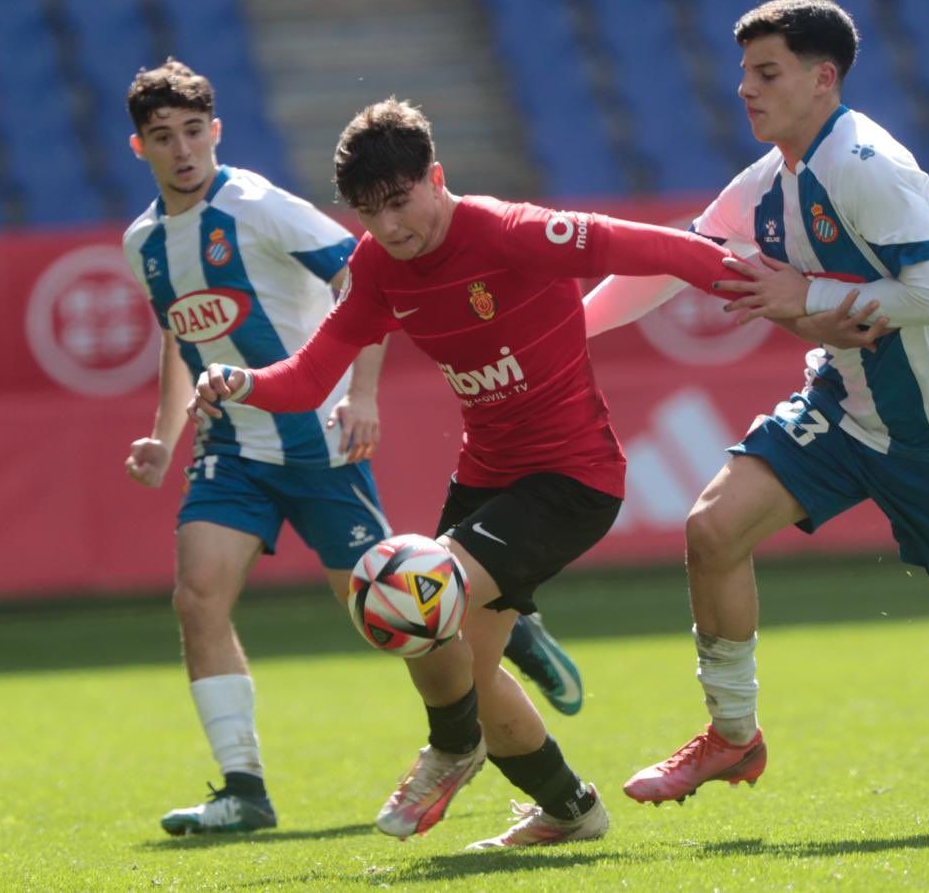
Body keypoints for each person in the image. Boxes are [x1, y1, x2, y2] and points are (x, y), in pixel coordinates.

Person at [582, 0, 929, 808]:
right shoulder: (769, 182)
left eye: (767, 72)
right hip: (842, 404)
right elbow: (681, 259)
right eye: (744, 74)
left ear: (822, 78)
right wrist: (572, 328)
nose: (746, 89)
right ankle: (734, 736)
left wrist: (810, 291)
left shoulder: (869, 167)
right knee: (711, 529)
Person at [189, 97, 736, 848]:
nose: (388, 226)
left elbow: (663, 250)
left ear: (436, 177)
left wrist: (770, 286)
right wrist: (238, 382)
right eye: (368, 211)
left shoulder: (511, 232)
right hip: (487, 473)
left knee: (413, 587)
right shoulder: (375, 267)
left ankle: (451, 749)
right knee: (455, 662)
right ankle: (570, 808)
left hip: (573, 479)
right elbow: (310, 378)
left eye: (399, 202)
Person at [119, 62, 582, 837]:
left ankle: (503, 619)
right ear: (141, 148)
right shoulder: (144, 244)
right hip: (229, 448)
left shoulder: (259, 207)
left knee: (394, 616)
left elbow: (367, 280)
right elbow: (181, 332)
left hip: (315, 444)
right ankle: (243, 788)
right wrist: (165, 438)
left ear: (216, 131)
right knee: (196, 595)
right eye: (164, 138)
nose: (183, 150)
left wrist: (359, 394)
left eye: (194, 131)